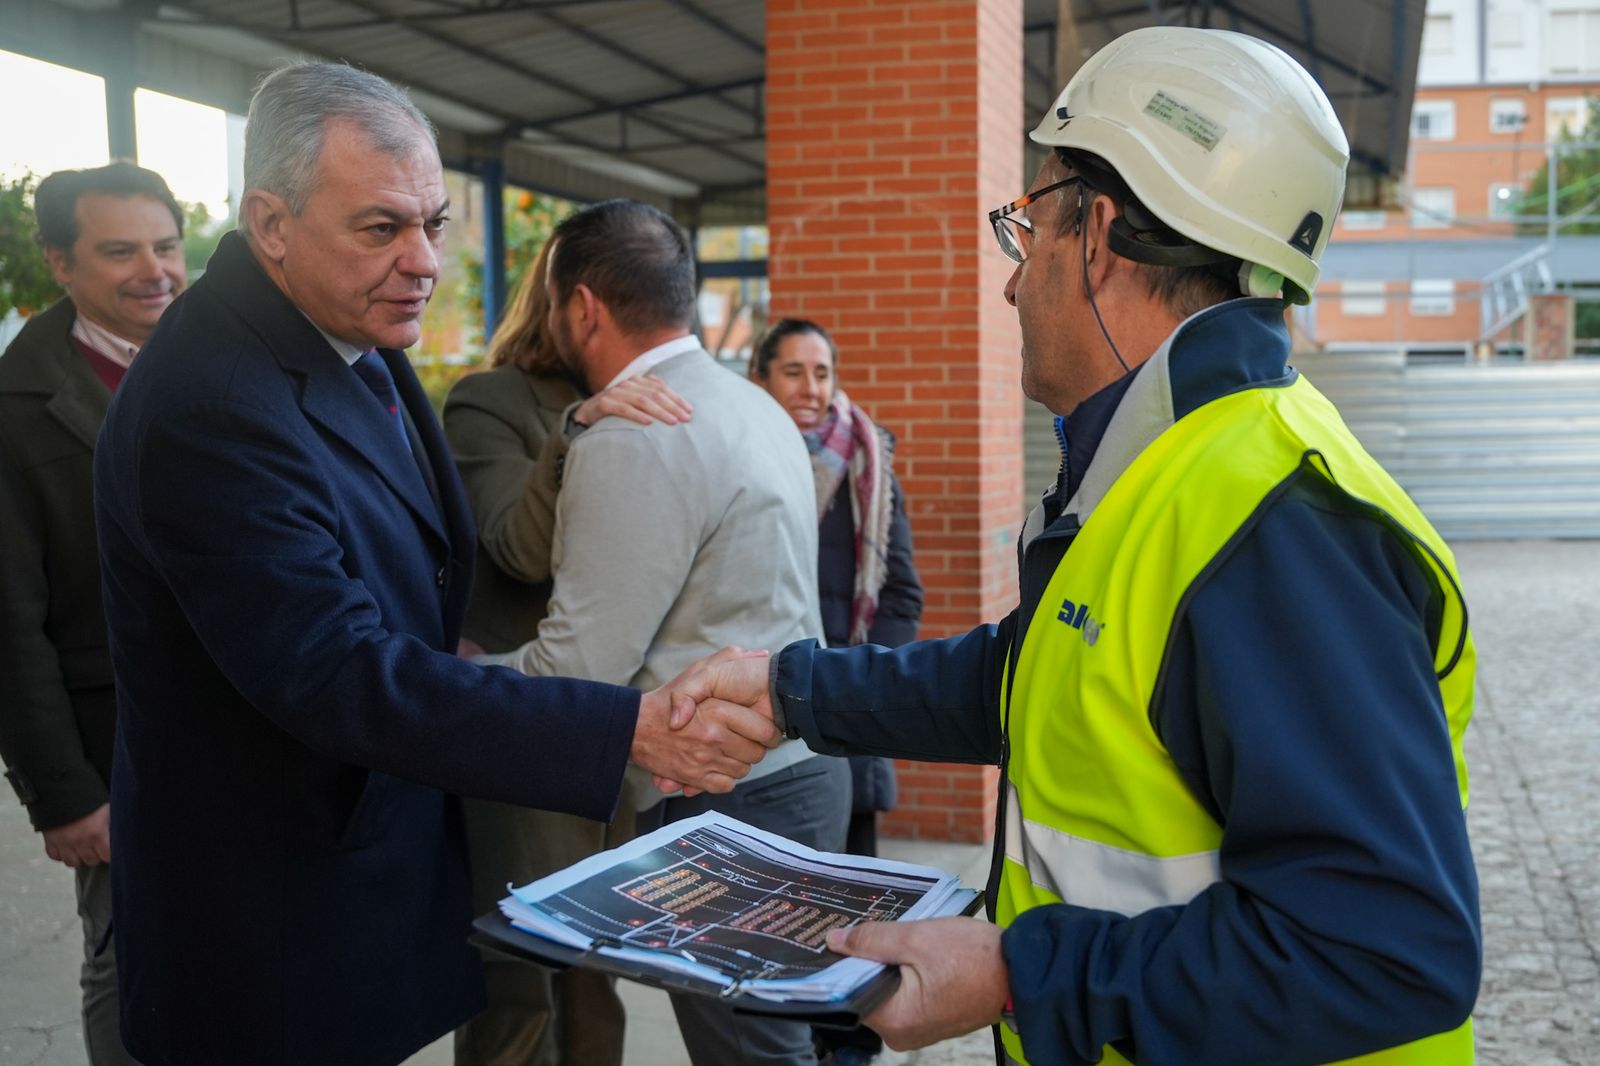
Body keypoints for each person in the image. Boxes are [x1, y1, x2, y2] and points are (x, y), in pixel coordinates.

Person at [682, 27, 1481, 1066]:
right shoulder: (1167, 470)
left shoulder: (1278, 526)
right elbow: (1043, 676)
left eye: (1024, 231)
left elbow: (1385, 955)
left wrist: (1018, 971)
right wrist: (790, 689)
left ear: (1095, 235)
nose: (1012, 286)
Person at [92, 63, 775, 1066]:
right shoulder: (215, 399)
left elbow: (409, 558)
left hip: (362, 871)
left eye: (435, 223)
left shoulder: (350, 332)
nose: (423, 261)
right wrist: (627, 726)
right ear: (270, 224)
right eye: (381, 227)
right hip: (269, 911)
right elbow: (333, 670)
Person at [480, 199, 850, 1066]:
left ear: (582, 308)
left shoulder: (635, 432)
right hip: (800, 765)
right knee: (774, 1043)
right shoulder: (752, 404)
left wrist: (452, 676)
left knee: (753, 1053)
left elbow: (580, 667)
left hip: (722, 795)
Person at [444, 240, 692, 1066]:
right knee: (518, 977)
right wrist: (576, 432)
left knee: (596, 971)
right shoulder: (487, 400)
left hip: (608, 726)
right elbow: (515, 547)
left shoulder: (641, 388)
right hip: (522, 720)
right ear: (569, 304)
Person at [0, 162, 185, 1066]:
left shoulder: (222, 360)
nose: (153, 269)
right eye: (120, 251)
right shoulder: (15, 409)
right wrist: (64, 794)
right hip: (116, 749)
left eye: (165, 245)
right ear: (60, 263)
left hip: (253, 726)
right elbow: (7, 621)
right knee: (130, 960)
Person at [750, 319, 923, 1065]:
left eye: (822, 372)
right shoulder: (744, 458)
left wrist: (856, 688)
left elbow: (901, 594)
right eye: (793, 372)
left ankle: (846, 1050)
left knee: (852, 916)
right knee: (777, 915)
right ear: (761, 380)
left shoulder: (868, 465)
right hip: (761, 723)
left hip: (842, 724)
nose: (812, 389)